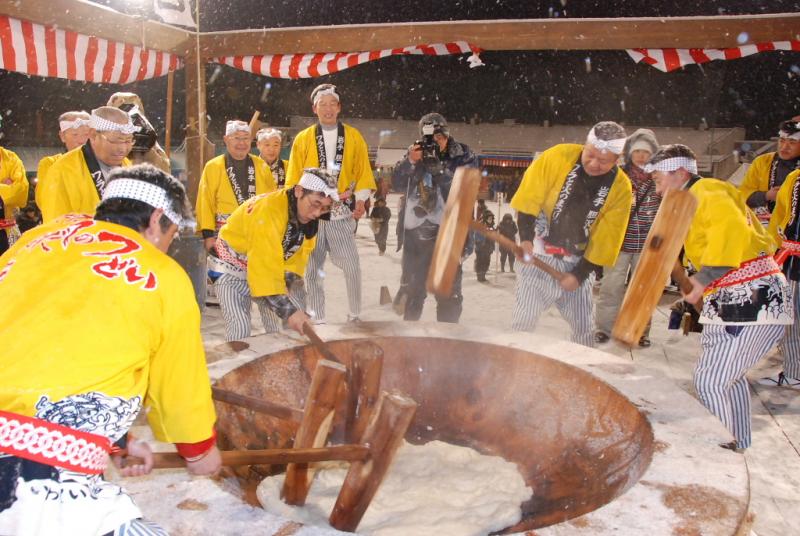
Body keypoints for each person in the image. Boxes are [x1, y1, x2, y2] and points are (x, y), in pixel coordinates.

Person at [0, 164, 220, 535]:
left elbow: (54, 348)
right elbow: (179, 387)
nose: (168, 246)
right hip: (31, 473)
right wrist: (199, 449)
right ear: (155, 219)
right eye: (171, 234)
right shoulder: (161, 275)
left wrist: (118, 440)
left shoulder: (36, 243)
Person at [650, 144, 791, 451]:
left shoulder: (709, 191)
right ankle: (737, 443)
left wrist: (701, 279)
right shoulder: (692, 202)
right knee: (731, 378)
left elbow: (730, 236)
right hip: (739, 298)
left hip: (751, 297)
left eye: (659, 178)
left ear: (681, 173)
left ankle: (720, 453)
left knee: (710, 381)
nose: (656, 186)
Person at [510, 121, 633, 347]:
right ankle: (512, 368)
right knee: (523, 322)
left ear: (618, 158)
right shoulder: (557, 156)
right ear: (585, 145)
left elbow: (606, 239)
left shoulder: (620, 188)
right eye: (590, 155)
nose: (594, 164)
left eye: (604, 161)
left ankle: (583, 373)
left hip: (577, 260)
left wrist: (579, 275)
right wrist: (526, 238)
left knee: (584, 330)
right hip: (539, 256)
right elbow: (529, 200)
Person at [286, 84, 376, 323]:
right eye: (322, 104)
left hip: (340, 211)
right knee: (312, 270)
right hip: (312, 213)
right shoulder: (303, 139)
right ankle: (317, 318)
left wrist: (362, 199)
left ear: (339, 107)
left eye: (331, 104)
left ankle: (355, 313)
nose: (327, 109)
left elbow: (363, 170)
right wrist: (296, 211)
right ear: (314, 108)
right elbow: (293, 177)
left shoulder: (353, 136)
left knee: (352, 267)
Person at [212, 168, 337, 341]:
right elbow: (264, 269)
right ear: (299, 191)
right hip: (230, 267)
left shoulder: (308, 219)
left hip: (265, 267)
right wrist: (289, 311)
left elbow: (297, 258)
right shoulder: (268, 211)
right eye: (315, 204)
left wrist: (286, 285)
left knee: (277, 327)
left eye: (324, 208)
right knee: (239, 328)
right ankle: (240, 365)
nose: (317, 213)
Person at [391, 112, 479, 322]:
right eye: (430, 139)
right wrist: (410, 162)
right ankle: (410, 346)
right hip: (416, 236)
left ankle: (447, 347)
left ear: (447, 135)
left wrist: (440, 172)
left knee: (448, 296)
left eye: (440, 138)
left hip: (449, 235)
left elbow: (465, 194)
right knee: (413, 294)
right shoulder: (417, 152)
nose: (435, 144)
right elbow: (397, 184)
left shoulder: (463, 154)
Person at [595, 128, 662, 347]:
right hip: (619, 243)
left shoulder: (659, 177)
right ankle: (604, 328)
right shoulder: (617, 175)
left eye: (646, 152)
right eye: (637, 151)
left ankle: (640, 330)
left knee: (642, 289)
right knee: (610, 287)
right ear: (629, 153)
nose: (641, 156)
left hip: (647, 245)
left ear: (653, 154)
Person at [40, 106, 134, 222]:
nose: (122, 149)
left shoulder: (127, 165)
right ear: (93, 135)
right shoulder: (63, 169)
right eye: (115, 141)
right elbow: (56, 227)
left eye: (128, 141)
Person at [197, 119, 277, 255]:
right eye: (237, 138)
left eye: (246, 138)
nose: (242, 143)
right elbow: (205, 202)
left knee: (257, 274)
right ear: (226, 139)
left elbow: (273, 199)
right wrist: (208, 235)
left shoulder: (261, 165)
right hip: (224, 233)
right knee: (225, 276)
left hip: (257, 233)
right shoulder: (213, 166)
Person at [762, 161, 800, 388]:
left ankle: (795, 373)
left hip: (795, 260)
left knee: (793, 319)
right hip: (791, 259)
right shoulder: (795, 178)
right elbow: (784, 218)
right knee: (791, 318)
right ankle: (794, 369)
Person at [739, 119, 800, 226]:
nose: (784, 147)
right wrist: (766, 196)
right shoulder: (762, 162)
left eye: (792, 142)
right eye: (781, 141)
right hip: (762, 228)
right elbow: (742, 195)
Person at [35, 111, 91, 213]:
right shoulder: (49, 164)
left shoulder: (105, 162)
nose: (82, 140)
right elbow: (45, 201)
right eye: (75, 134)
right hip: (65, 225)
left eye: (86, 134)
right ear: (62, 136)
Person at [0, 144, 28, 255]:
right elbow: (12, 192)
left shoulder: (11, 158)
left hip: (8, 232)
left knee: (11, 270)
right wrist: (5, 187)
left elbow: (20, 192)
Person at [474, 210, 496, 282]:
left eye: (491, 219)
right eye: (489, 219)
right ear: (485, 218)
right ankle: (479, 276)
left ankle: (483, 275)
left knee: (486, 262)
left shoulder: (492, 226)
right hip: (481, 248)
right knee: (480, 262)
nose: (490, 220)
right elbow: (476, 236)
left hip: (488, 247)